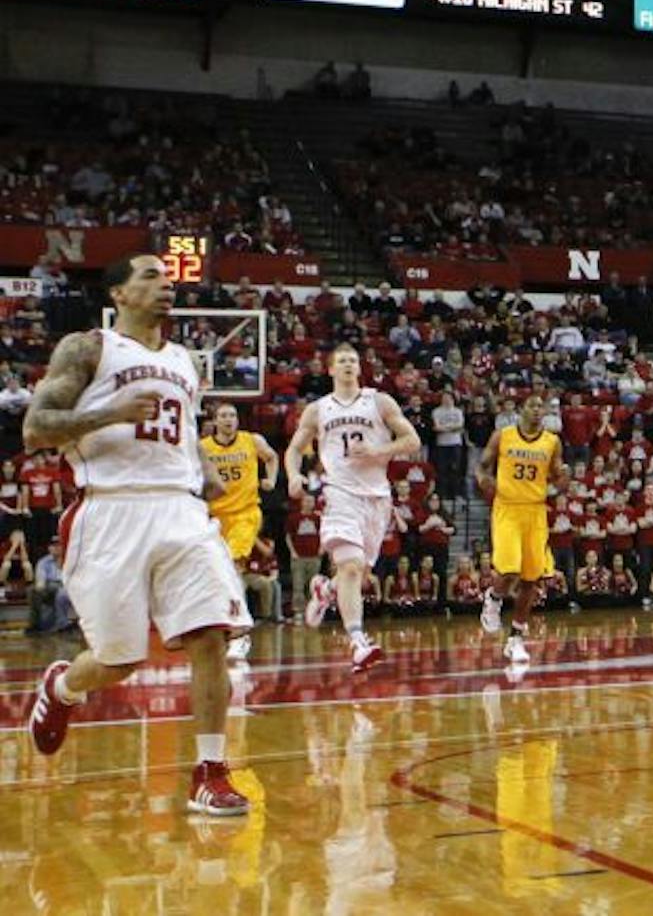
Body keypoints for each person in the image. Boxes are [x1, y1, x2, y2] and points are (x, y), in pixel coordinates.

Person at [22, 253, 251, 814]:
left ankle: (210, 771)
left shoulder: (184, 360)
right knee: (119, 661)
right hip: (110, 510)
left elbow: (180, 425)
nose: (165, 285)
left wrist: (204, 469)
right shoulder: (88, 349)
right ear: (119, 294)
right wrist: (109, 413)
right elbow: (34, 430)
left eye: (168, 278)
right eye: (150, 276)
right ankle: (63, 688)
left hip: (179, 509)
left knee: (210, 636)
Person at [283, 342, 423, 671]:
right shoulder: (318, 410)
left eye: (353, 360)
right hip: (339, 493)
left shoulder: (379, 401)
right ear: (331, 369)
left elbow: (413, 440)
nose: (348, 364)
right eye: (342, 360)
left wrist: (377, 453)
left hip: (377, 498)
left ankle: (326, 589)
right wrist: (293, 475)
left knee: (359, 573)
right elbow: (294, 449)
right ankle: (358, 642)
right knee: (351, 566)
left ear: (360, 368)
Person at [476, 396, 567, 665]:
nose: (538, 410)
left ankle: (515, 639)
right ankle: (493, 599)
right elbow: (482, 467)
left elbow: (556, 476)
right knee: (510, 569)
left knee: (531, 579)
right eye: (533, 405)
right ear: (521, 410)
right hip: (507, 508)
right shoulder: (502, 436)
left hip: (536, 511)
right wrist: (484, 481)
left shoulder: (552, 442)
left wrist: (563, 479)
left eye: (542, 406)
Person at [199, 401, 278, 663]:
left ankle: (239, 630)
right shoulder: (204, 447)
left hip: (245, 514)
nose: (229, 419)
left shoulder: (252, 440)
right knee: (218, 573)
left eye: (232, 415)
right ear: (214, 420)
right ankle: (223, 622)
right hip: (214, 516)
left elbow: (272, 457)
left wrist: (271, 480)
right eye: (223, 415)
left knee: (232, 567)